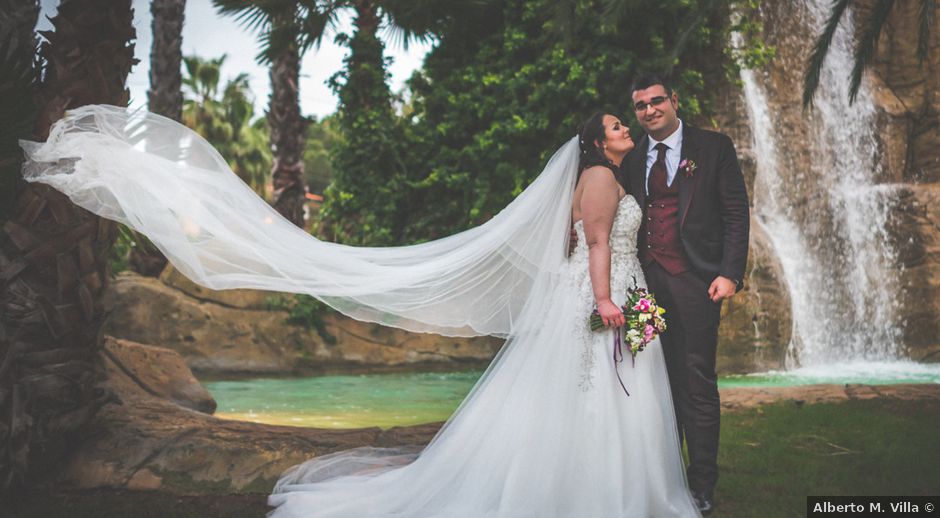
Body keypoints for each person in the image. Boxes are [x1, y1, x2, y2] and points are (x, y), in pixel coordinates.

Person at [22, 106, 700, 517]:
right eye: (614, 123)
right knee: (598, 397)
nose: (623, 127)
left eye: (622, 122)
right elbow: (600, 244)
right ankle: (607, 496)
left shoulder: (610, 175)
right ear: (598, 141)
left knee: (587, 400)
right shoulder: (603, 178)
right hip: (599, 297)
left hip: (602, 295)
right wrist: (610, 300)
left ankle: (601, 493)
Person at [625, 73, 750, 514]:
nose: (649, 110)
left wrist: (730, 273)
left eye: (657, 101)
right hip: (642, 287)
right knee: (651, 385)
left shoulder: (713, 147)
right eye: (641, 106)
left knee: (696, 383)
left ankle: (701, 485)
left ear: (674, 101)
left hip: (696, 282)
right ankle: (664, 480)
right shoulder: (631, 157)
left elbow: (736, 212)